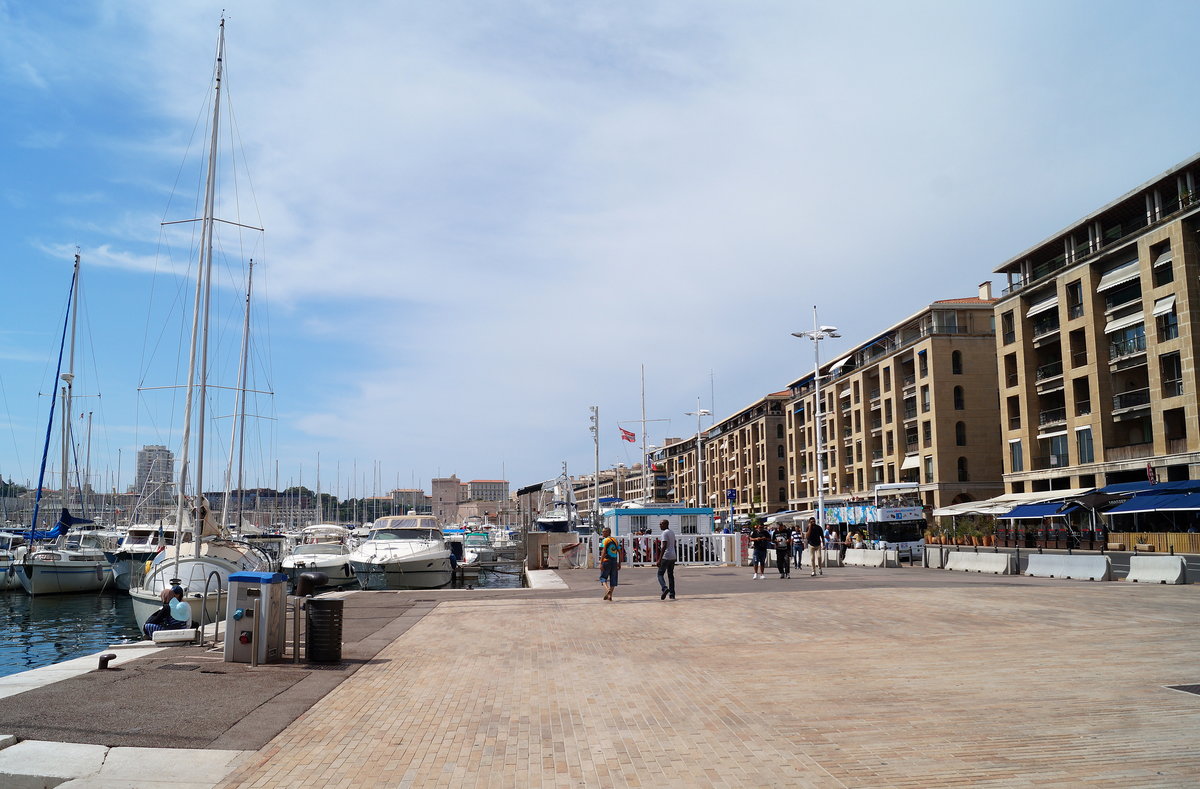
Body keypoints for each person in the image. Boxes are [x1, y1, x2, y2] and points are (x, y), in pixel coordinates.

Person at [656, 518, 677, 600]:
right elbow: (674, 544)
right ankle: (672, 594)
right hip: (673, 556)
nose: (660, 526)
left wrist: (659, 559)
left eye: (661, 524)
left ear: (666, 524)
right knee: (670, 575)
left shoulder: (664, 533)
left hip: (666, 556)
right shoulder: (672, 532)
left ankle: (664, 588)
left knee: (660, 574)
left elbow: (664, 546)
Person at [599, 527, 620, 601]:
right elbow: (619, 552)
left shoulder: (605, 540)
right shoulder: (615, 540)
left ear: (608, 532)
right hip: (614, 561)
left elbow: (603, 552)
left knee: (603, 578)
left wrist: (601, 563)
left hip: (606, 561)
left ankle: (607, 589)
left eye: (604, 532)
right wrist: (619, 563)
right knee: (613, 579)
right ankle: (610, 596)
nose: (602, 533)